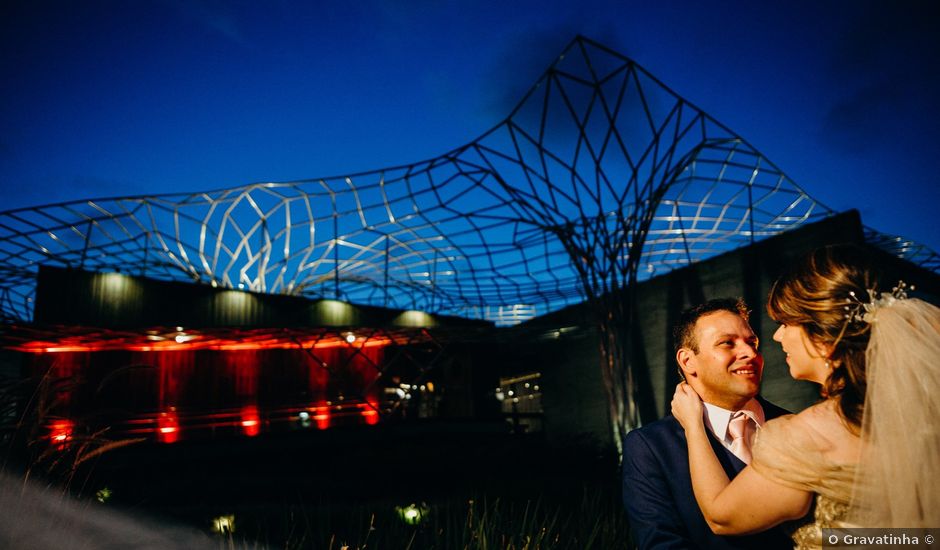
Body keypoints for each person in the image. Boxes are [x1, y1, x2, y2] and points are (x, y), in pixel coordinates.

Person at [671, 244, 940, 548]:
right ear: (687, 361)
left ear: (824, 339)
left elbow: (722, 517)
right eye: (727, 343)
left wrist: (693, 426)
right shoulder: (917, 410)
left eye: (786, 324)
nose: (775, 338)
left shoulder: (807, 432)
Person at [622, 297, 795, 549]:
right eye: (727, 343)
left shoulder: (795, 425)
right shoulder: (651, 446)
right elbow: (662, 543)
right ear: (687, 361)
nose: (750, 353)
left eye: (752, 342)